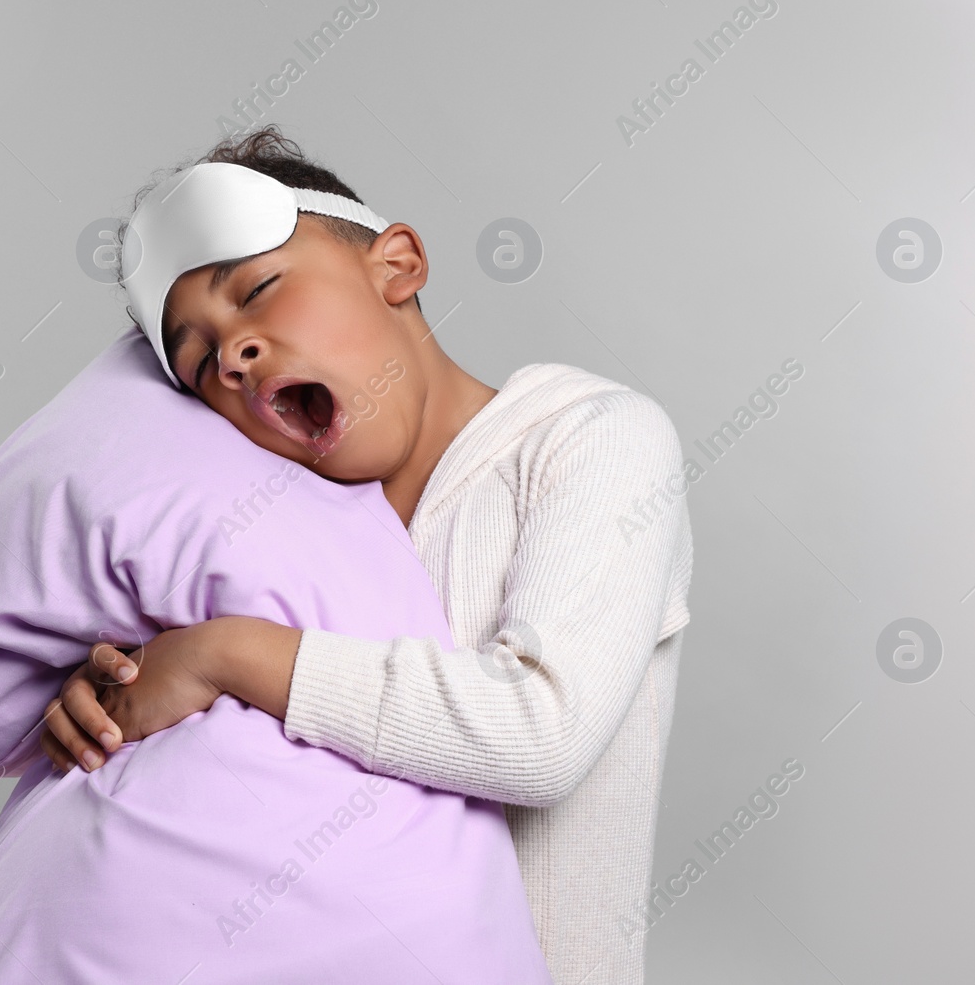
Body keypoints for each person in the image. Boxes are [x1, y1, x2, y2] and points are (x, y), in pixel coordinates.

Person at [41, 126, 694, 984]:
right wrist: (113, 704)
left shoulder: (590, 439)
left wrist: (221, 653)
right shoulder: (267, 537)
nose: (233, 352)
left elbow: (540, 733)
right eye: (199, 363)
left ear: (397, 266)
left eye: (262, 289)